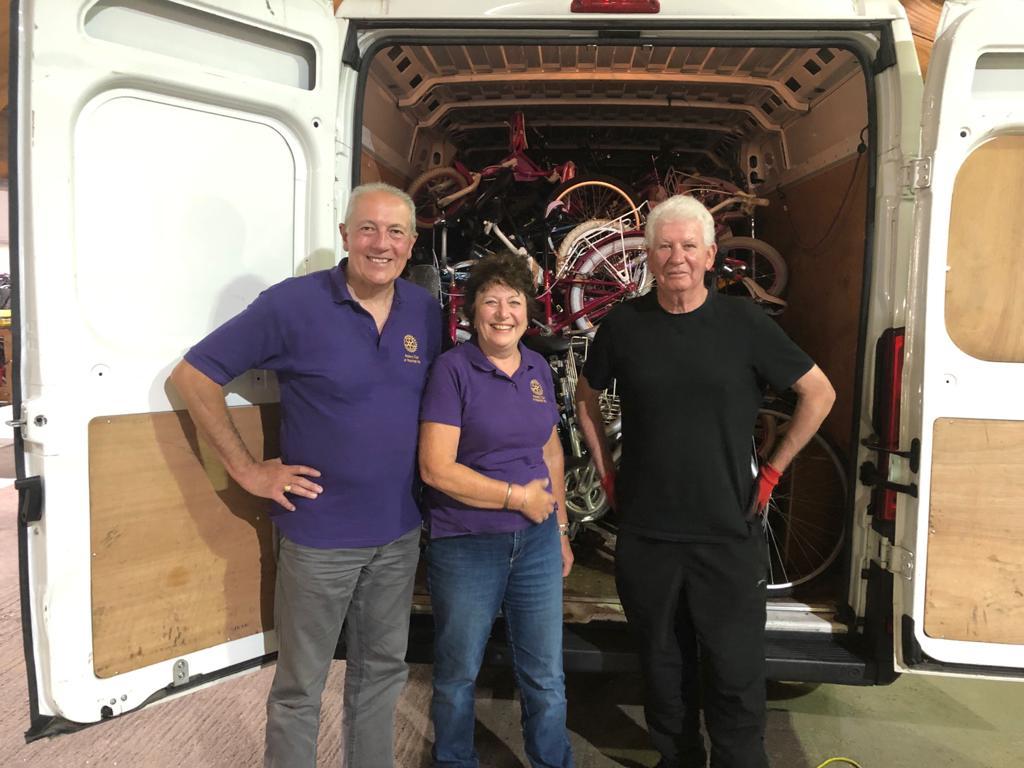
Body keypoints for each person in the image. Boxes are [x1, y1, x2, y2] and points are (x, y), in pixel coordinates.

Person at [169, 182, 442, 768]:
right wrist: (245, 470)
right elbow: (194, 376)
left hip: (397, 534)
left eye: (395, 232)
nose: (381, 243)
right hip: (319, 537)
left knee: (380, 677)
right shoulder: (292, 304)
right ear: (344, 235)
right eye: (367, 228)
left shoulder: (424, 310)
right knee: (300, 689)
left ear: (412, 244)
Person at [575, 194, 835, 768]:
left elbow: (819, 393)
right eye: (664, 246)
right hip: (646, 536)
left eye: (689, 246)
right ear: (647, 254)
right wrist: (605, 471)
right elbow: (585, 396)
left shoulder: (744, 324)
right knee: (664, 669)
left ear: (711, 254)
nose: (676, 258)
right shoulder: (625, 325)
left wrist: (772, 471)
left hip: (727, 533)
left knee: (735, 672)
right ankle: (678, 758)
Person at [417, 251, 575, 768]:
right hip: (467, 542)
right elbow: (436, 468)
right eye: (491, 301)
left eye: (514, 300)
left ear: (528, 309)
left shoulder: (538, 369)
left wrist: (561, 529)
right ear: (471, 312)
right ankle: (455, 761)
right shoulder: (452, 370)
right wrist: (516, 498)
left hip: (536, 543)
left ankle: (553, 761)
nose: (503, 312)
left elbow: (549, 449)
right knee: (459, 672)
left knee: (545, 674)